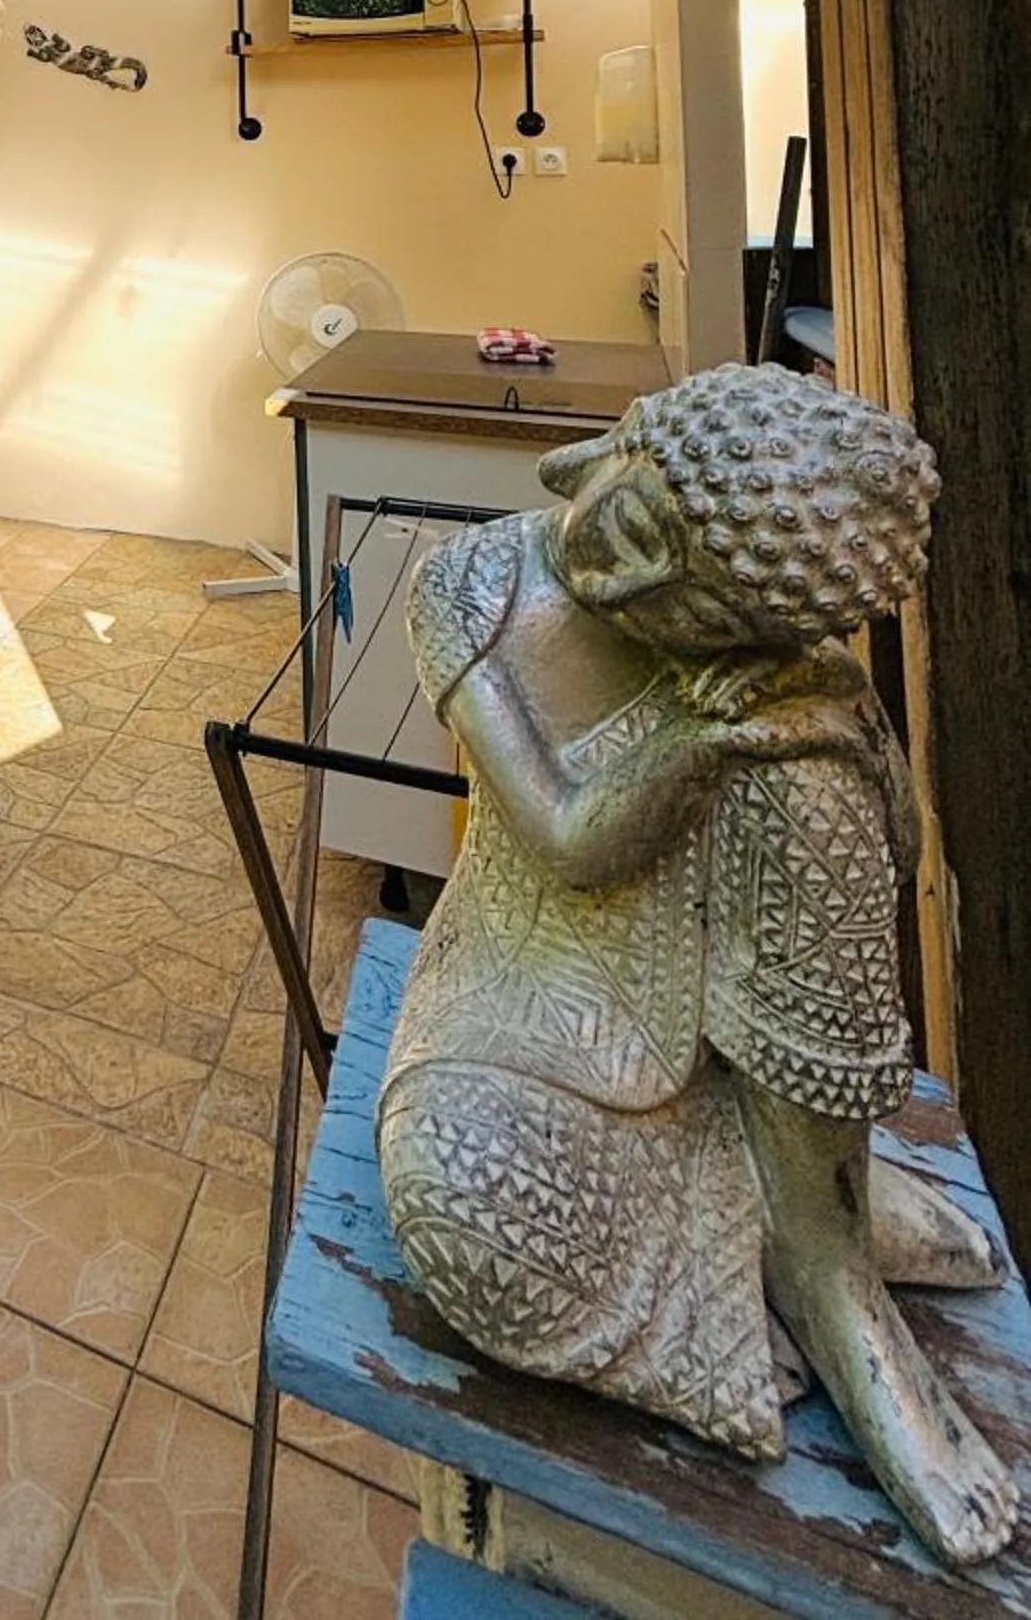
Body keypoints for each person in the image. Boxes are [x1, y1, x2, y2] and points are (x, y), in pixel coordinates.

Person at [376, 365, 1017, 1570]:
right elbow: (568, 842)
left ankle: (824, 1250)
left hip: (732, 1017)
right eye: (626, 523)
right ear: (611, 454)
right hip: (537, 997)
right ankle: (754, 1249)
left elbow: (900, 842)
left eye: (681, 599)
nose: (617, 579)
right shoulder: (475, 586)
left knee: (813, 791)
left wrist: (831, 732)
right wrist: (702, 735)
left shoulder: (775, 674)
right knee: (457, 1200)